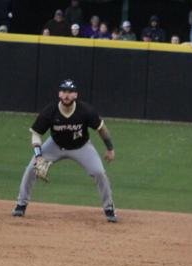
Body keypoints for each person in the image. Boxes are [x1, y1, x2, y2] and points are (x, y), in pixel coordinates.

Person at [12, 79, 118, 224]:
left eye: (70, 92)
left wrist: (110, 149)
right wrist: (38, 156)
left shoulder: (85, 110)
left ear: (75, 95)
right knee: (31, 169)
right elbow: (36, 134)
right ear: (59, 94)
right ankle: (21, 204)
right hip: (55, 146)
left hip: (81, 147)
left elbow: (101, 128)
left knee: (99, 172)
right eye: (64, 91)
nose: (67, 95)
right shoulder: (50, 111)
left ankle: (109, 208)